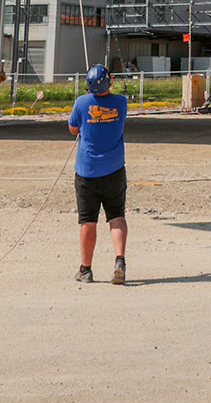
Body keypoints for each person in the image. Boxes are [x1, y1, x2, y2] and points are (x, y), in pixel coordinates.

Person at [67, 62, 128, 284]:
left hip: (87, 172)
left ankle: (85, 269)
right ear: (109, 81)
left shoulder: (82, 103)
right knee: (117, 217)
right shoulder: (121, 103)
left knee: (87, 222)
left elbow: (73, 128)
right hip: (114, 169)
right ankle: (119, 260)